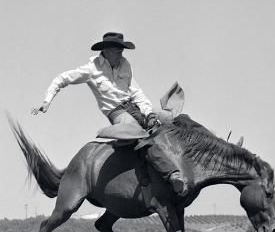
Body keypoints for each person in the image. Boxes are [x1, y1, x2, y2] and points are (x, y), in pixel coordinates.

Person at [32, 31, 186, 195]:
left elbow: (136, 93)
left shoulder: (125, 64)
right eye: (118, 49)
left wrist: (149, 113)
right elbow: (62, 79)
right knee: (140, 136)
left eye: (122, 49)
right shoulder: (91, 69)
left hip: (134, 105)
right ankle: (170, 175)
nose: (121, 52)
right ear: (107, 50)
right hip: (117, 112)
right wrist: (47, 101)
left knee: (171, 120)